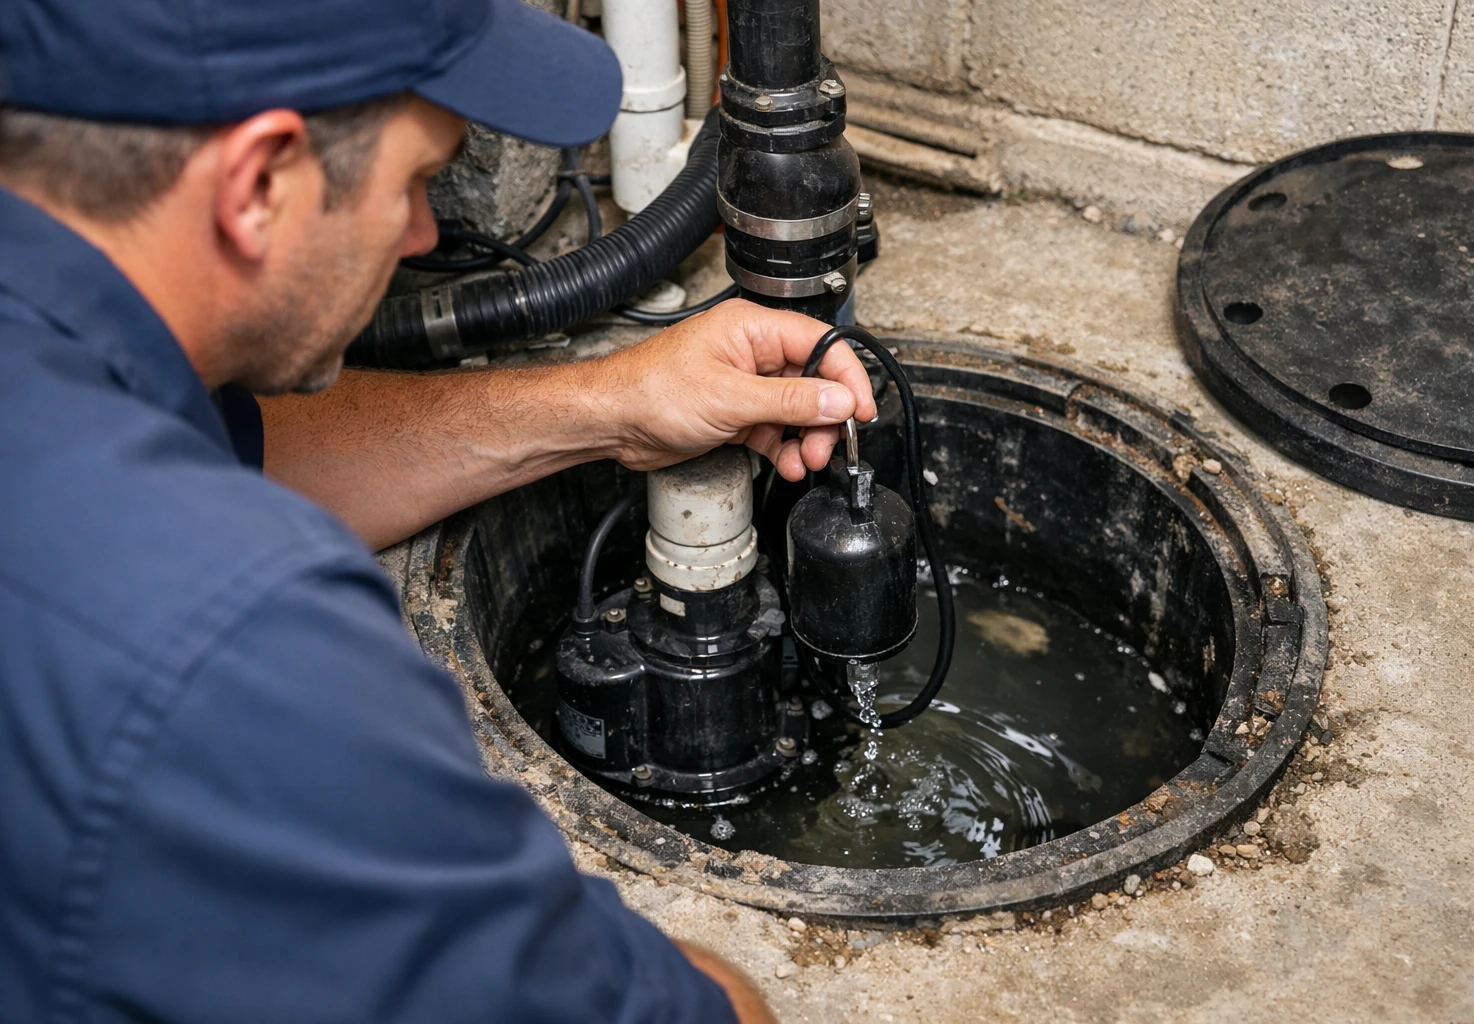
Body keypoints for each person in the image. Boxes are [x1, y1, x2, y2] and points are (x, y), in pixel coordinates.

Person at [0, 1, 876, 1021]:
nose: (422, 231)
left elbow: (241, 448)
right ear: (258, 182)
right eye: (415, 181)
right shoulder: (241, 650)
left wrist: (611, 404)